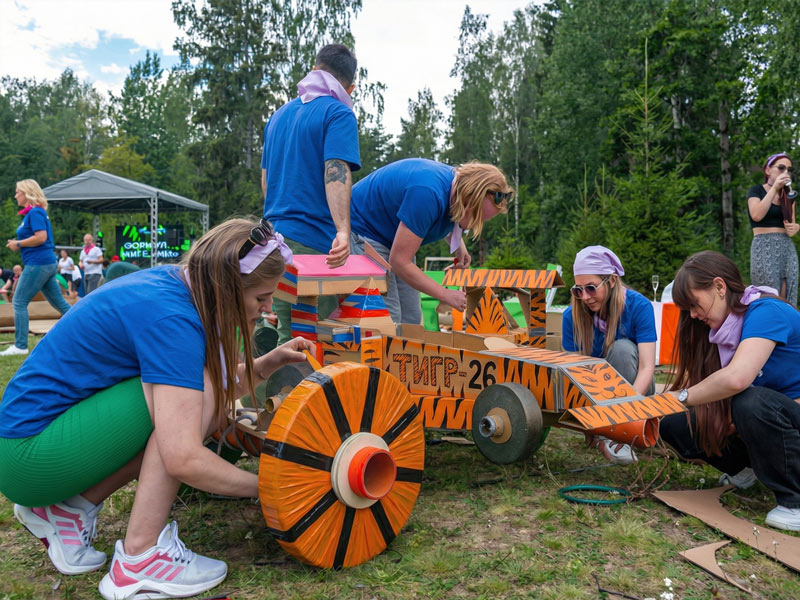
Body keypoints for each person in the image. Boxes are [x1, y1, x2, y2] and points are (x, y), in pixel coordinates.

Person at [0, 217, 314, 599]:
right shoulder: (173, 319)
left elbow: (212, 392)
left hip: (28, 448)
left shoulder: (182, 286)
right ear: (229, 286)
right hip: (29, 456)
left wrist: (267, 364)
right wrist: (273, 485)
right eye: (261, 297)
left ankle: (68, 511)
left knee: (194, 396)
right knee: (194, 396)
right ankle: (140, 558)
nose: (267, 308)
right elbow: (183, 457)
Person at [659, 250, 800, 531]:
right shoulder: (722, 330)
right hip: (770, 422)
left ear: (719, 287)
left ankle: (795, 500)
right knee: (675, 423)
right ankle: (744, 470)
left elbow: (737, 379)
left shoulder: (766, 311)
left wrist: (682, 397)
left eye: (695, 304)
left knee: (751, 403)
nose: (693, 315)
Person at [261, 43, 361, 344]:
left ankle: (267, 377)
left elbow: (266, 181)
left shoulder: (278, 116)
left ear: (315, 69)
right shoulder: (338, 113)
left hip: (274, 241)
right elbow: (335, 171)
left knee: (287, 335)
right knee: (317, 340)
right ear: (350, 87)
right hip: (314, 245)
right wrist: (342, 231)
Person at [349, 159, 511, 324]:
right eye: (477, 216)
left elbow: (448, 213)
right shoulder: (427, 193)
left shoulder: (457, 188)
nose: (476, 224)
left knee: (410, 318)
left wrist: (458, 246)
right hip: (360, 230)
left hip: (390, 240)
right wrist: (444, 294)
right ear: (468, 196)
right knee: (387, 318)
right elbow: (399, 261)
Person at [561, 245, 657, 463]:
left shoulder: (639, 307)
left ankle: (623, 431)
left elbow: (647, 367)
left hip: (636, 392)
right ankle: (603, 432)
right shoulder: (571, 317)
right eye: (578, 290)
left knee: (622, 349)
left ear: (612, 280)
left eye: (591, 288)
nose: (585, 297)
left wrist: (625, 413)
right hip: (596, 395)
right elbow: (574, 373)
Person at [1, 180, 72, 357]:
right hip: (45, 263)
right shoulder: (35, 213)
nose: (15, 195)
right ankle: (87, 328)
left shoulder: (35, 213)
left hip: (38, 264)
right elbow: (38, 238)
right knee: (59, 303)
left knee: (19, 301)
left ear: (26, 193)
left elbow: (41, 237)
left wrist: (18, 243)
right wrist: (18, 243)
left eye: (17, 192)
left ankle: (20, 346)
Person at [747, 152, 798, 306]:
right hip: (763, 245)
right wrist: (775, 188)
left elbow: (791, 226)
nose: (786, 172)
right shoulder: (756, 191)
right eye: (781, 168)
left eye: (789, 170)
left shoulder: (788, 195)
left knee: (788, 293)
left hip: (786, 246)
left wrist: (796, 227)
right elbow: (756, 215)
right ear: (768, 170)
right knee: (769, 295)